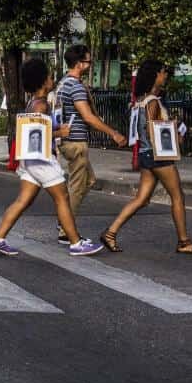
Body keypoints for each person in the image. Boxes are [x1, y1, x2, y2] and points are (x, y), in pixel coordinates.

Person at [0, 58, 103, 257]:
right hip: (41, 160)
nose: (52, 79)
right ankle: (75, 242)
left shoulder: (33, 103)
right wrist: (60, 133)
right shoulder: (41, 106)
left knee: (23, 200)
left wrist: (56, 130)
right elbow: (36, 134)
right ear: (42, 81)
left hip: (30, 161)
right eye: (48, 76)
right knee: (62, 197)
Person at [101, 60, 192, 255]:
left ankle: (110, 232)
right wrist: (176, 137)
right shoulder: (153, 103)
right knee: (177, 196)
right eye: (163, 72)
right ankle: (184, 241)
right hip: (159, 157)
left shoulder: (142, 100)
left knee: (141, 199)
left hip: (146, 155)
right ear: (155, 75)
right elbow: (156, 131)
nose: (165, 76)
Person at [56, 45, 127, 243]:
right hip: (75, 142)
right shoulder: (75, 86)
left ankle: (64, 221)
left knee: (89, 181)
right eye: (88, 61)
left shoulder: (63, 83)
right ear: (79, 64)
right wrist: (113, 133)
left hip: (70, 141)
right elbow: (88, 117)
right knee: (78, 186)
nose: (90, 65)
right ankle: (65, 230)